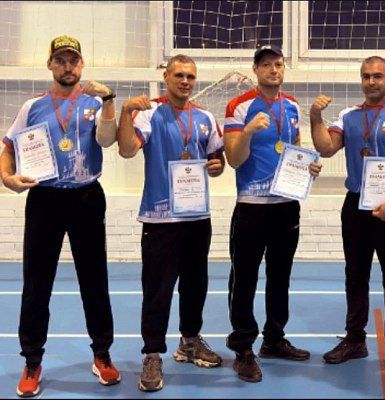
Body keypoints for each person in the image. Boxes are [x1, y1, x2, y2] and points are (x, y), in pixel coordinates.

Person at [0, 35, 120, 397]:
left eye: (73, 60)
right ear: (50, 64)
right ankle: (32, 361)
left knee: (94, 280)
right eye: (61, 60)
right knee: (37, 283)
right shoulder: (33, 106)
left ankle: (102, 354)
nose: (68, 66)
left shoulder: (95, 103)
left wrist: (109, 100)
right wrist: (6, 177)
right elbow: (8, 148)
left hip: (86, 198)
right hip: (45, 199)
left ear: (81, 64)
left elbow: (108, 140)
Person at [310, 56, 385, 375]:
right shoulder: (348, 115)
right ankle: (354, 339)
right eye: (366, 76)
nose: (371, 82)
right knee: (355, 275)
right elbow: (326, 148)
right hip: (355, 205)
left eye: (377, 76)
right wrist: (315, 116)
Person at [117, 54, 225, 392]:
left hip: (197, 217)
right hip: (160, 218)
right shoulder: (149, 114)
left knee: (196, 285)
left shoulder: (205, 117)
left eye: (190, 76)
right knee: (158, 290)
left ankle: (189, 341)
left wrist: (217, 167)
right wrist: (125, 113)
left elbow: (217, 159)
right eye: (179, 75)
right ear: (166, 77)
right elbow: (126, 150)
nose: (185, 81)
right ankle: (152, 354)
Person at [223, 44, 321, 383]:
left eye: (278, 64)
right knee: (245, 278)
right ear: (255, 69)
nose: (273, 70)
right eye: (266, 65)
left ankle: (274, 339)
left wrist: (308, 168)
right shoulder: (239, 106)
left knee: (280, 276)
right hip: (251, 206)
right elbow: (233, 159)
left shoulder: (291, 106)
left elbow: (295, 149)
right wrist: (248, 130)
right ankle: (243, 349)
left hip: (286, 205)